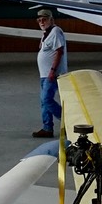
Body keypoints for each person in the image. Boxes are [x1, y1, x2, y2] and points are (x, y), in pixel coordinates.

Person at [32, 9, 67, 138]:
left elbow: (59, 51)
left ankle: (67, 121)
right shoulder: (45, 33)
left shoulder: (56, 31)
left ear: (51, 20)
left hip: (52, 74)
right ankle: (47, 128)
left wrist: (52, 71)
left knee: (46, 99)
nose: (41, 22)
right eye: (39, 20)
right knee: (43, 101)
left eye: (44, 19)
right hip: (44, 74)